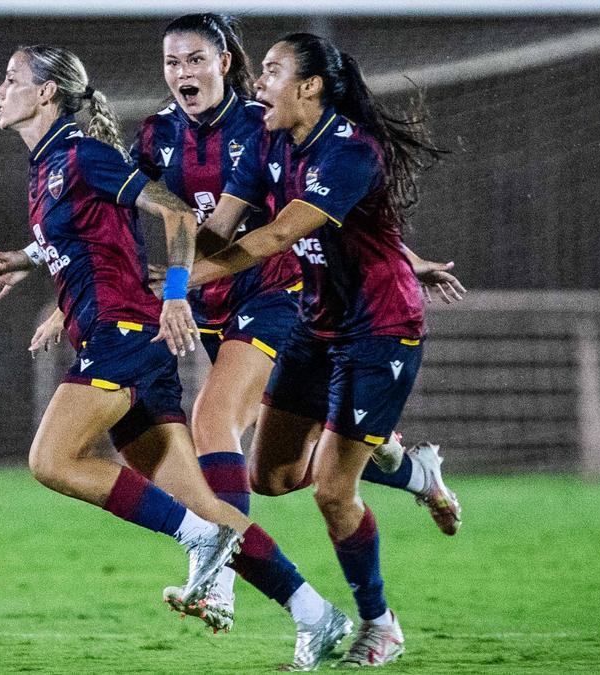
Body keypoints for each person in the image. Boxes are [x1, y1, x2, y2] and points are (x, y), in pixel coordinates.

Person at [28, 14, 467, 637]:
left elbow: (305, 225)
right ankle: (404, 467)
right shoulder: (165, 135)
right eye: (172, 62)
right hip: (235, 309)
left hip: (281, 297)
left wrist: (409, 260)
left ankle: (230, 581)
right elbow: (117, 215)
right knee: (273, 475)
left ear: (224, 63)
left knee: (221, 424)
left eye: (196, 60)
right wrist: (93, 289)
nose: (184, 73)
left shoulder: (281, 132)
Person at [0, 44, 351, 671]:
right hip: (121, 341)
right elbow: (90, 233)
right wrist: (29, 257)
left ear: (45, 94)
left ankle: (200, 540)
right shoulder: (47, 166)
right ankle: (317, 615)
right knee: (207, 504)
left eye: (9, 79)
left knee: (51, 459)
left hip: (123, 336)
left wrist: (176, 291)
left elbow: (173, 211)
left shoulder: (80, 152)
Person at [184, 33, 458, 667]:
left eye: (273, 72)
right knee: (268, 477)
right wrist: (165, 264)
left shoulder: (352, 151)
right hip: (318, 322)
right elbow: (219, 229)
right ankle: (411, 471)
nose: (259, 83)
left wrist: (182, 282)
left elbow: (280, 233)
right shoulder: (269, 141)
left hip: (381, 329)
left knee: (333, 491)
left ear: (309, 87)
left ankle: (378, 622)